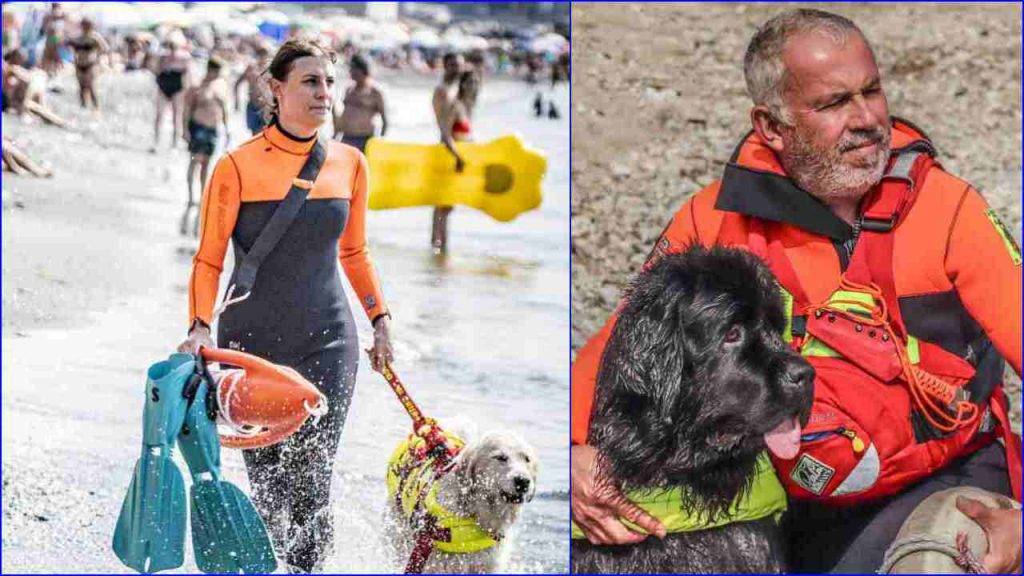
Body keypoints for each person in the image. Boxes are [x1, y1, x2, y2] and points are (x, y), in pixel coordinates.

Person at [570, 8, 1022, 574]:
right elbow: (622, 343)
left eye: (872, 91)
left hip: (941, 479)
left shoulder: (950, 210)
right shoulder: (714, 218)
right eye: (833, 104)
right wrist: (573, 454)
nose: (867, 120)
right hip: (785, 493)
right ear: (771, 128)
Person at [177, 36, 394, 573]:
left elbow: (355, 252)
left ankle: (310, 569)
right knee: (269, 483)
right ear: (275, 89)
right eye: (310, 82)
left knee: (314, 477)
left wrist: (380, 320)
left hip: (329, 339)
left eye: (328, 82)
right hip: (253, 343)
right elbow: (208, 259)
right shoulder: (236, 166)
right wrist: (201, 327)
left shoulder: (350, 163)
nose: (324, 93)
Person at [430, 53, 478, 253]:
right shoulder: (444, 93)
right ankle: (438, 247)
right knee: (443, 205)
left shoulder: (458, 96)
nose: (456, 68)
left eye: (459, 65)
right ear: (445, 66)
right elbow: (445, 131)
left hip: (456, 153)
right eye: (452, 65)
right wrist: (458, 156)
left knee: (447, 206)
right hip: (450, 154)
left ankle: (440, 248)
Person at [181, 56, 229, 236]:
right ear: (212, 70)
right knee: (194, 162)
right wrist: (184, 129)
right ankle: (191, 196)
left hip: (213, 129)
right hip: (198, 127)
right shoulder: (197, 88)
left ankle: (201, 197)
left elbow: (224, 109)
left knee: (206, 165)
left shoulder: (220, 87)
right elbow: (187, 110)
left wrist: (227, 128)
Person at [331, 54, 387, 153]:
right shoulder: (349, 90)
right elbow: (345, 114)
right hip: (346, 138)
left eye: (354, 69)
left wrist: (380, 143)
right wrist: (335, 135)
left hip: (365, 139)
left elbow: (384, 120)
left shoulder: (375, 92)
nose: (351, 72)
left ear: (363, 71)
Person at [151, 31, 191, 151]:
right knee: (160, 115)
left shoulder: (184, 57)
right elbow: (156, 70)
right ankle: (157, 141)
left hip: (177, 87)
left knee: (176, 116)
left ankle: (174, 143)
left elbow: (188, 75)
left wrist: (186, 90)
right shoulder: (163, 57)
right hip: (164, 85)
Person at [66, 18, 108, 110]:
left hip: (91, 65)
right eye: (84, 24)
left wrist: (97, 57)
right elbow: (67, 45)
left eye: (87, 25)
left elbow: (105, 48)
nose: (85, 27)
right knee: (81, 87)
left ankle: (96, 107)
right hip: (79, 64)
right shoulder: (78, 38)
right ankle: (83, 107)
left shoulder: (95, 37)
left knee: (91, 86)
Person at [233, 41, 272, 135]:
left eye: (264, 53)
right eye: (260, 53)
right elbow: (237, 83)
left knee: (267, 133)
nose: (262, 56)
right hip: (253, 105)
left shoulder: (271, 70)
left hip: (266, 106)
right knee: (254, 134)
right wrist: (237, 102)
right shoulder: (251, 68)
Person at [39, 2, 66, 80]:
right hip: (54, 38)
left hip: (53, 38)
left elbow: (42, 30)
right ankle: (52, 73)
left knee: (52, 56)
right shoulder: (53, 14)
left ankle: (51, 73)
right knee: (53, 56)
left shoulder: (49, 15)